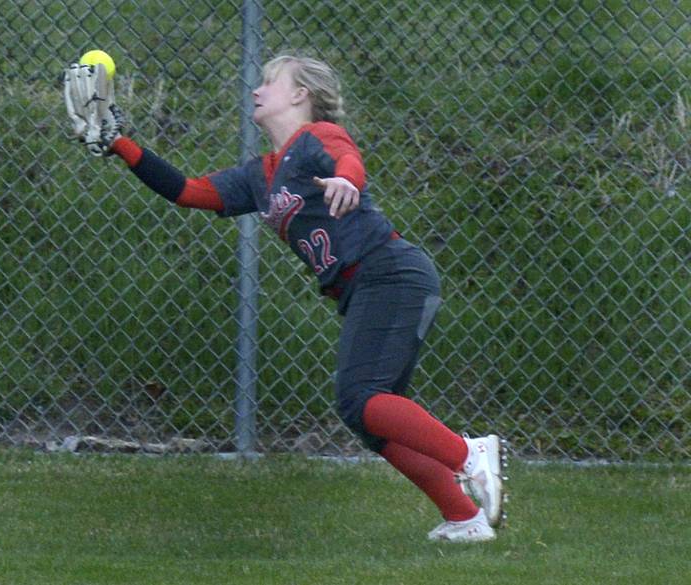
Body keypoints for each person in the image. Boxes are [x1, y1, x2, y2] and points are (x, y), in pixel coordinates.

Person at [65, 53, 507, 542]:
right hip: (369, 284)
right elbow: (189, 191)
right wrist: (120, 144)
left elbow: (348, 158)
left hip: (391, 273)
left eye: (269, 82)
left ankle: (470, 454)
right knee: (370, 418)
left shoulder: (314, 137)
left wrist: (347, 181)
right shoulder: (263, 174)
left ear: (301, 95)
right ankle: (465, 518)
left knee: (362, 398)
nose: (256, 90)